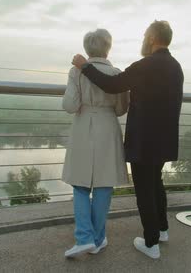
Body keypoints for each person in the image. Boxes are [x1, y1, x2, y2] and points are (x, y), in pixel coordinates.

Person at [71, 20, 183, 259]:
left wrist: (84, 66)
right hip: (165, 139)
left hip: (144, 140)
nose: (143, 38)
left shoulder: (145, 65)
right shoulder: (176, 66)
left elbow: (112, 85)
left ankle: (151, 243)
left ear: (152, 38)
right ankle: (162, 229)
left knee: (144, 189)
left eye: (145, 35)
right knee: (155, 183)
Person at [62, 28, 129, 258]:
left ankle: (84, 238)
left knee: (80, 184)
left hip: (83, 127)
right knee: (104, 184)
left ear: (86, 48)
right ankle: (97, 239)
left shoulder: (76, 71)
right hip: (108, 126)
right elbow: (121, 109)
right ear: (107, 47)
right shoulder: (117, 73)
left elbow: (70, 105)